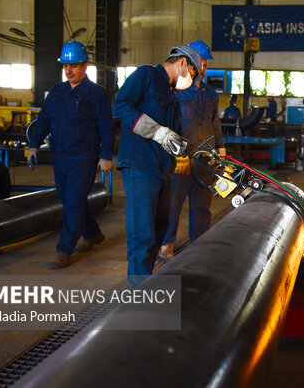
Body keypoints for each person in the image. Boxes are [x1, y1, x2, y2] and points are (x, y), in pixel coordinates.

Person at [112, 44, 201, 285]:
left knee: (159, 229)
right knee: (142, 232)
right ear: (182, 62)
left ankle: (144, 282)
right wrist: (155, 131)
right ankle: (137, 292)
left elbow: (172, 131)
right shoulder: (146, 75)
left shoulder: (172, 95)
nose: (191, 79)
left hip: (163, 169)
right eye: (192, 73)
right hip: (140, 165)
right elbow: (120, 105)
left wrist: (181, 143)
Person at [28, 40, 115, 269]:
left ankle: (64, 249)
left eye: (74, 65)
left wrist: (106, 155)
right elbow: (44, 120)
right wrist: (33, 145)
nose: (69, 70)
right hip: (60, 156)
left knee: (73, 203)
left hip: (84, 156)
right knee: (69, 200)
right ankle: (93, 233)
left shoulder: (96, 94)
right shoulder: (57, 92)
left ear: (85, 65)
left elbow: (106, 126)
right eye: (66, 65)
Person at [159, 40, 226, 260]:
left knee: (202, 206)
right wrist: (175, 154)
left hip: (205, 160)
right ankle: (166, 245)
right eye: (200, 64)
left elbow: (215, 122)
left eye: (206, 65)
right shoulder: (176, 92)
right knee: (173, 203)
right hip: (181, 159)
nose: (203, 70)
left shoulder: (209, 93)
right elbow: (169, 124)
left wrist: (221, 150)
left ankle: (199, 245)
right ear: (188, 64)